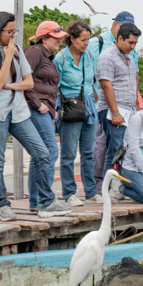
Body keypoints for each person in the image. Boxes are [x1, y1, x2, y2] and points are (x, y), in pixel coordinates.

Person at [0, 12, 65, 220]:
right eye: (9, 32)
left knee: (42, 153)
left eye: (14, 31)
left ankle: (45, 202)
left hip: (18, 111)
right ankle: (2, 205)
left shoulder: (18, 51)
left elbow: (28, 83)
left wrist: (8, 85)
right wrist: (6, 57)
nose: (12, 36)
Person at [87, 11, 140, 189]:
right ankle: (107, 188)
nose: (133, 46)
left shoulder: (129, 57)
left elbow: (132, 82)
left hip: (128, 110)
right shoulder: (107, 56)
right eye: (130, 42)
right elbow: (106, 86)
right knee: (114, 150)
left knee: (123, 149)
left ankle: (116, 186)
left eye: (135, 43)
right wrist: (115, 112)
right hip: (113, 111)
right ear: (119, 38)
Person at [53, 21, 99, 206]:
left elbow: (93, 82)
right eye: (82, 39)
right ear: (71, 38)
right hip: (70, 106)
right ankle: (69, 193)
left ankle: (91, 191)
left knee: (89, 152)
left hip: (89, 105)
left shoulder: (88, 55)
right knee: (69, 153)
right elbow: (54, 86)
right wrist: (56, 110)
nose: (86, 43)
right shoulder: (61, 58)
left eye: (88, 39)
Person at [23, 20, 67, 213]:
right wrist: (38, 103)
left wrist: (50, 107)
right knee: (50, 151)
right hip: (34, 109)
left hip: (44, 109)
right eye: (55, 38)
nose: (59, 41)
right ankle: (46, 201)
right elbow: (23, 80)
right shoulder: (34, 52)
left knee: (39, 155)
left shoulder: (47, 56)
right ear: (44, 37)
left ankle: (36, 201)